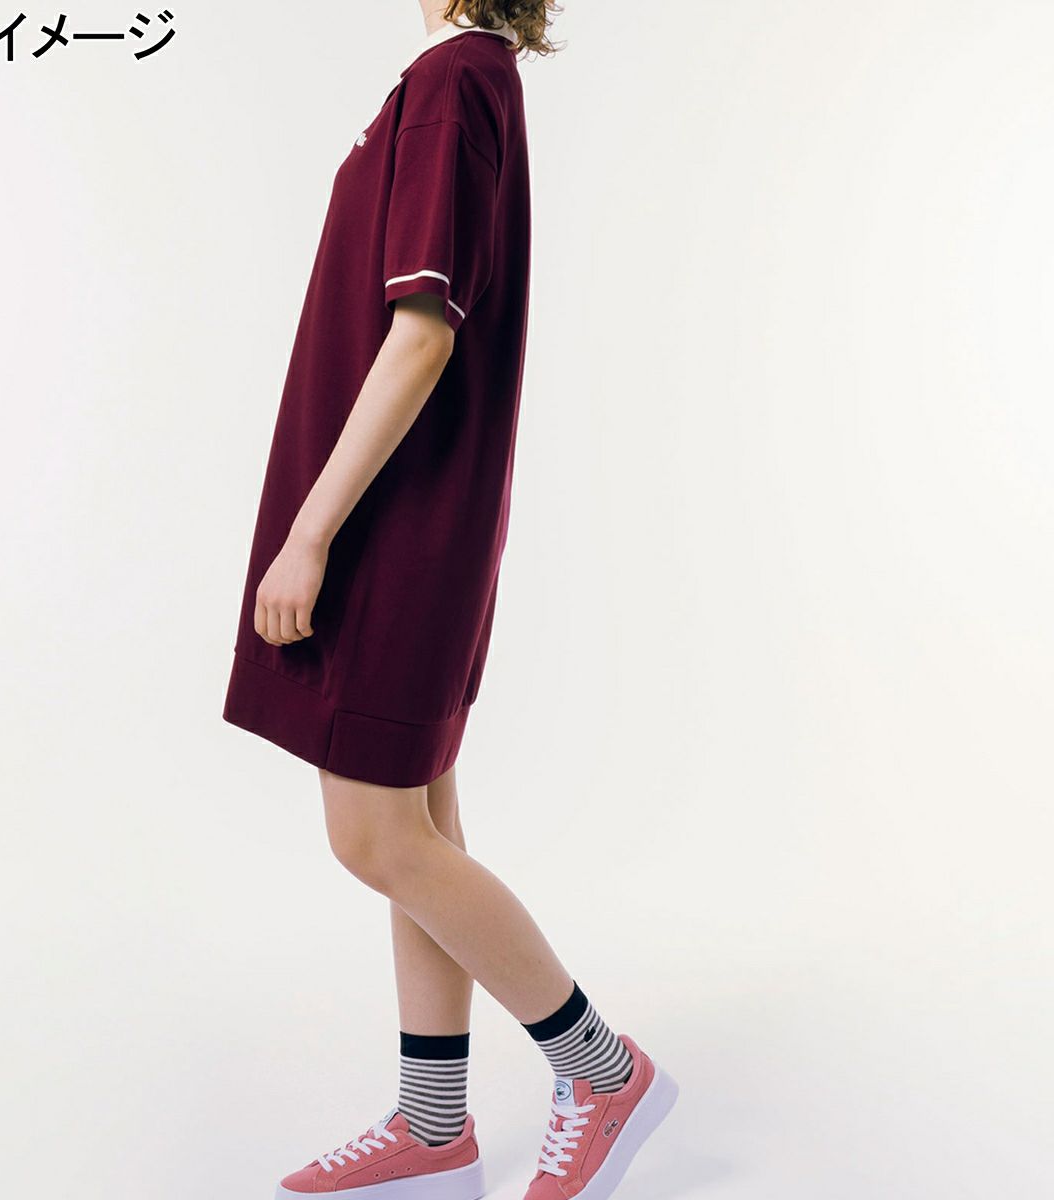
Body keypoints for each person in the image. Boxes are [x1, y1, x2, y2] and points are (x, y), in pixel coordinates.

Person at [222, 4, 678, 1198]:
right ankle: (434, 1128)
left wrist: (310, 532)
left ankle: (603, 1071)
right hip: (420, 520)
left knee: (375, 838)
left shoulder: (452, 82)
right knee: (417, 832)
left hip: (396, 526)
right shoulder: (468, 78)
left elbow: (421, 334)